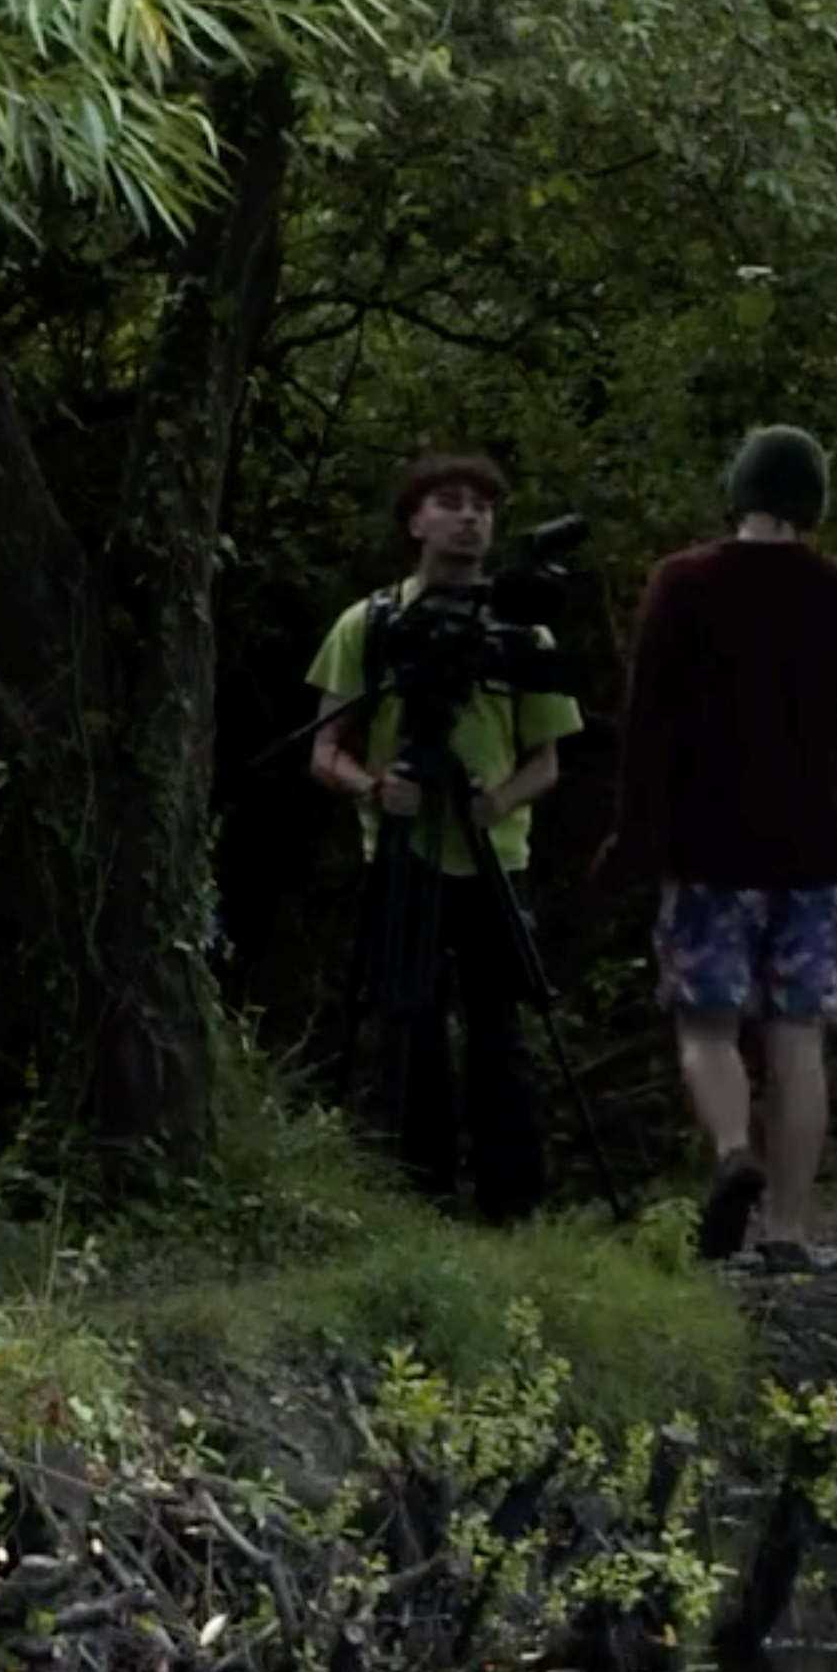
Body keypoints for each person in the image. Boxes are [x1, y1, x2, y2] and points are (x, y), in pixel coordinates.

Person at [603, 426, 837, 1267]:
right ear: (814, 504)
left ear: (740, 491)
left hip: (709, 845)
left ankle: (731, 1151)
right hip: (817, 847)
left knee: (708, 1025)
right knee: (799, 1038)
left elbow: (646, 719)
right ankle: (789, 1232)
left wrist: (632, 834)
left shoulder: (681, 584)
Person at [308, 449, 581, 1223]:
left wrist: (499, 800)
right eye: (450, 503)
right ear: (414, 520)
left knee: (501, 1031)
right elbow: (324, 748)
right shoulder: (370, 625)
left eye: (483, 507)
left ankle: (512, 1208)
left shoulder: (524, 630)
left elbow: (548, 761)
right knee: (408, 1024)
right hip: (403, 854)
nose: (469, 518)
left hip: (497, 855)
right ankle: (414, 1199)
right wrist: (373, 788)